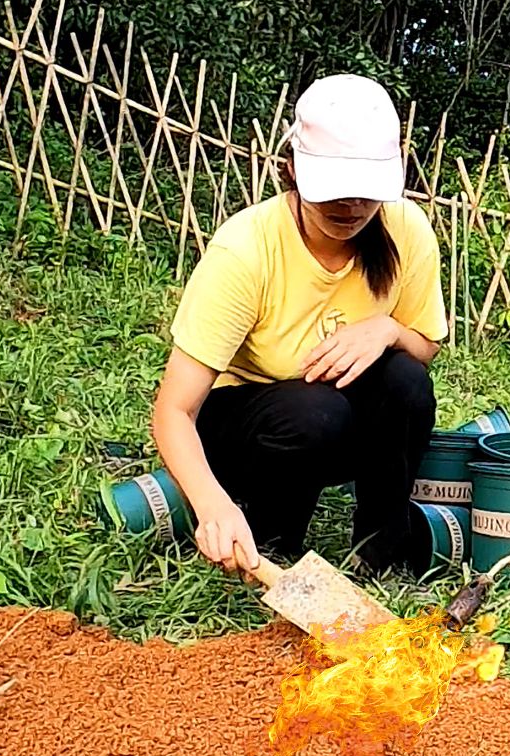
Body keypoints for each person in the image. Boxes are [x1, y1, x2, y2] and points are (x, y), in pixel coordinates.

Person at [151, 73, 448, 581]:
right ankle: (269, 542)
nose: (350, 207)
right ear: (289, 169)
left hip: (338, 428)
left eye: (364, 193)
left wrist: (387, 330)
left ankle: (381, 550)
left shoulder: (406, 231)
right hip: (249, 428)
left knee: (406, 380)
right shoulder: (246, 250)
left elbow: (425, 346)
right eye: (334, 190)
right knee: (315, 410)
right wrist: (211, 506)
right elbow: (174, 411)